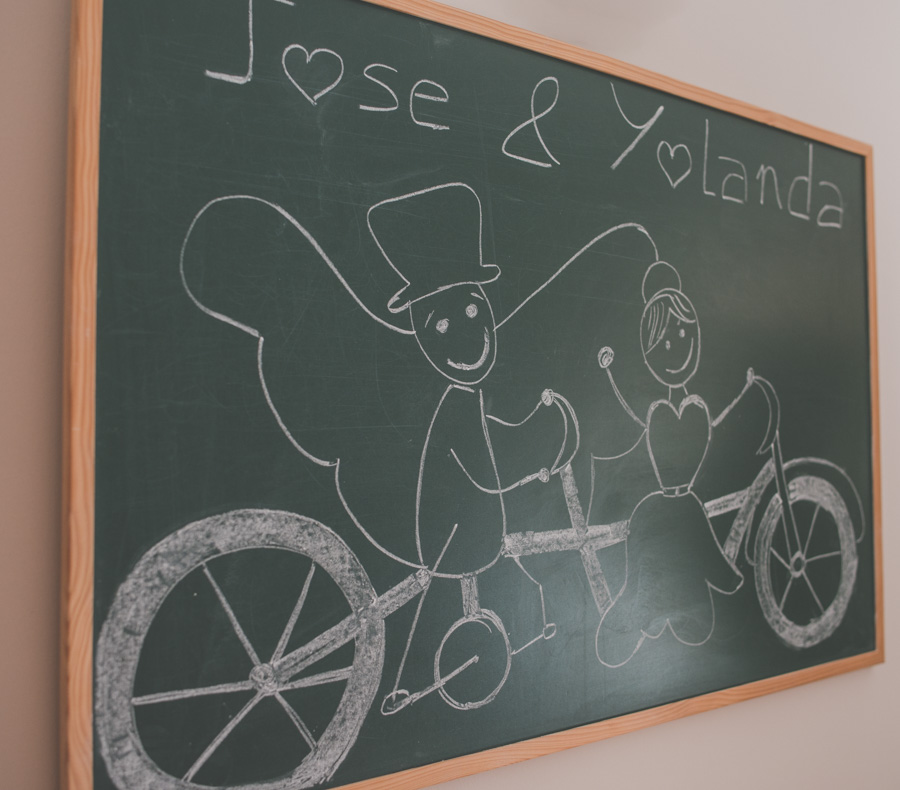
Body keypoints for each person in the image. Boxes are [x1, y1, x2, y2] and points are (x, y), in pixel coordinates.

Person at [368, 182, 574, 710]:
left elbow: (495, 448)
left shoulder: (464, 402)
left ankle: (518, 637)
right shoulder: (456, 409)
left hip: (468, 527)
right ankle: (465, 659)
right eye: (440, 324)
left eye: (471, 313)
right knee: (518, 584)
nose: (465, 334)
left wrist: (536, 431)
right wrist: (547, 442)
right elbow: (492, 468)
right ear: (420, 334)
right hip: (458, 537)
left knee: (526, 588)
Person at [594, 261, 745, 667]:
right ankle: (648, 615)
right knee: (663, 555)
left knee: (682, 549)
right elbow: (629, 412)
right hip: (664, 504)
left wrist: (741, 394)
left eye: (683, 333)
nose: (676, 346)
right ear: (648, 349)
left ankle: (664, 616)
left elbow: (715, 423)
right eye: (664, 341)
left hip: (670, 503)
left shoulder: (693, 413)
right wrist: (610, 377)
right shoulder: (657, 414)